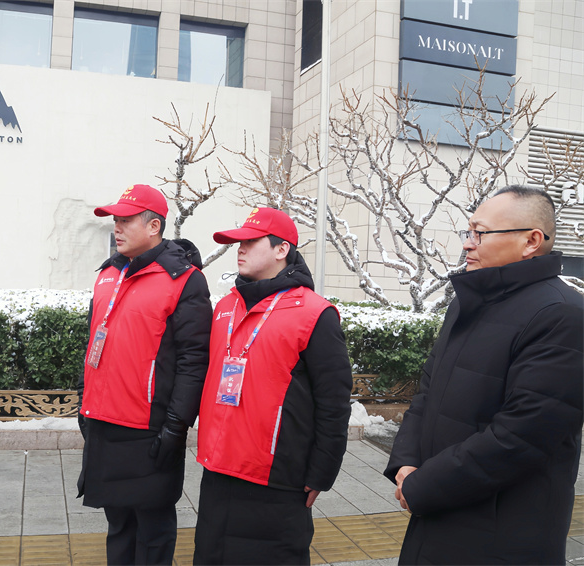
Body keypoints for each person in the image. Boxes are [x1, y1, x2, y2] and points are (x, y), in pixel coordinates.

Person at [384, 185, 584, 564]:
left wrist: (424, 485)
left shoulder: (562, 315)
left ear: (531, 241)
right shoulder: (469, 302)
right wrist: (407, 463)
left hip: (502, 531)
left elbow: (523, 435)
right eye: (469, 232)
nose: (467, 244)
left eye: (480, 233)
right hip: (439, 511)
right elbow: (428, 392)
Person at [193, 207, 353, 565]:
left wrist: (322, 471)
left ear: (282, 249)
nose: (240, 249)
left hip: (276, 477)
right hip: (218, 470)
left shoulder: (315, 313)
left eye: (251, 242)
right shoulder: (226, 306)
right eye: (238, 242)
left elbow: (334, 401)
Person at [77, 184, 212, 565]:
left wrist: (176, 426)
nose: (116, 228)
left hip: (150, 430)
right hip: (104, 424)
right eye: (115, 220)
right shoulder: (109, 273)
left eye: (126, 220)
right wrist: (84, 402)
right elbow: (93, 344)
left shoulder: (184, 279)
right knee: (118, 526)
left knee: (152, 530)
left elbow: (194, 360)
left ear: (154, 226)